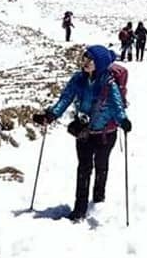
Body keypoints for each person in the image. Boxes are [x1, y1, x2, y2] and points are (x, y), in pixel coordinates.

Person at [32, 46, 131, 221]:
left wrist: (123, 121)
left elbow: (116, 105)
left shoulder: (108, 83)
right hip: (84, 132)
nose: (84, 62)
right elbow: (65, 98)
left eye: (89, 59)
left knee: (101, 165)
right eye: (84, 58)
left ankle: (99, 197)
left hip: (105, 134)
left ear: (98, 63)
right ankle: (79, 209)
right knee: (83, 169)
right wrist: (51, 115)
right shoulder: (78, 79)